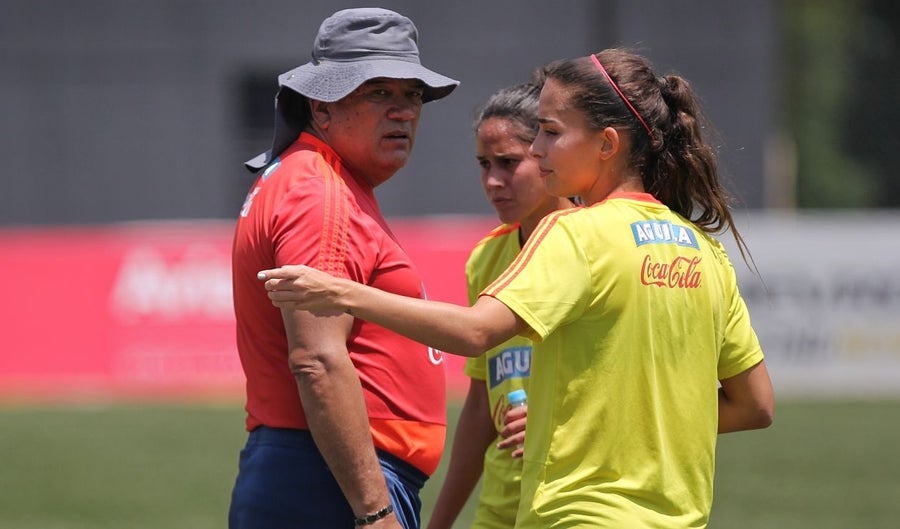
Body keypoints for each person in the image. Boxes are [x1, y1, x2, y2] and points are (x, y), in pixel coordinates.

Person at [258, 48, 775, 528]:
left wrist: (341, 292)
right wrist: (624, 427)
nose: (537, 148)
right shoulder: (706, 252)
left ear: (606, 144)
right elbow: (754, 406)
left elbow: (475, 332)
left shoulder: (575, 233)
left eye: (550, 132)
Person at [228, 8, 458, 529]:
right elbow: (317, 360)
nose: (403, 111)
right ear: (323, 105)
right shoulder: (320, 191)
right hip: (329, 483)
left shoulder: (310, 177)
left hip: (317, 474)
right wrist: (375, 511)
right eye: (379, 92)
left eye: (413, 95)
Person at [426, 81, 576, 529]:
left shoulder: (597, 246)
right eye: (484, 164)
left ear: (548, 155)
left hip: (573, 506)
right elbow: (480, 406)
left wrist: (560, 425)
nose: (493, 181)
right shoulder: (487, 259)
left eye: (509, 163)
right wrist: (440, 521)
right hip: (499, 510)